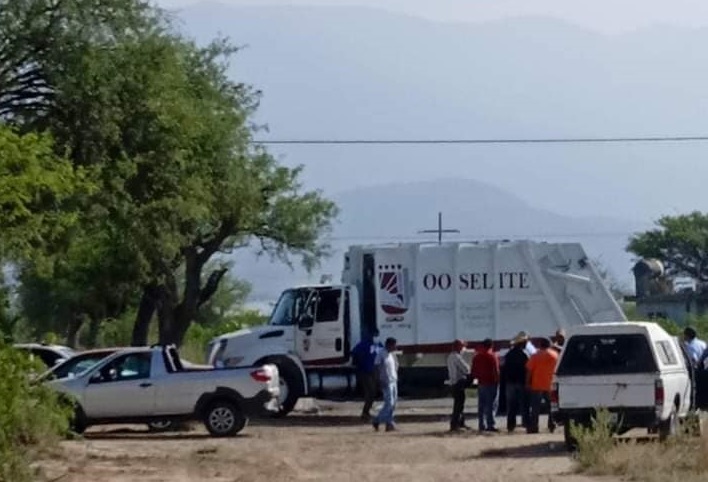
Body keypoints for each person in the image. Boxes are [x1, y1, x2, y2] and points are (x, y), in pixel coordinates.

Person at [526, 337, 559, 434]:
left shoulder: (535, 356)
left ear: (541, 345)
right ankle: (552, 424)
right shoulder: (555, 355)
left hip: (537, 384)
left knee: (535, 408)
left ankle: (534, 427)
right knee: (551, 407)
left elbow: (529, 370)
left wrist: (527, 383)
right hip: (550, 385)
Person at [351, 330, 382, 419]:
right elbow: (354, 353)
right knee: (370, 392)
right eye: (375, 335)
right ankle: (365, 412)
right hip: (365, 372)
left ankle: (366, 412)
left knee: (373, 392)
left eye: (377, 335)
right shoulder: (364, 344)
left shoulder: (378, 345)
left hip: (374, 371)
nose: (376, 337)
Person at [471, 338, 500, 433]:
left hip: (481, 383)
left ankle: (481, 424)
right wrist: (498, 381)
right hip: (491, 382)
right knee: (491, 404)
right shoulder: (492, 356)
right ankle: (490, 424)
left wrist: (477, 379)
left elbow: (473, 371)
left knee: (481, 405)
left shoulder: (477, 356)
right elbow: (496, 370)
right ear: (491, 346)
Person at [504, 333, 530, 433]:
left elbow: (505, 368)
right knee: (524, 404)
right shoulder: (524, 354)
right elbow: (528, 369)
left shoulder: (509, 354)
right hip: (521, 382)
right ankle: (526, 423)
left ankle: (510, 425)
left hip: (510, 382)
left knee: (511, 405)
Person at [373, 337, 399, 432]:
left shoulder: (392, 354)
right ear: (389, 345)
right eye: (394, 345)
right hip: (385, 381)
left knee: (394, 403)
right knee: (389, 403)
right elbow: (376, 367)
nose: (395, 347)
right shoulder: (381, 353)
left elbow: (395, 365)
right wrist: (378, 380)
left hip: (393, 380)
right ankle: (377, 420)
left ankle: (389, 424)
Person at [447, 339, 471, 431]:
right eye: (462, 346)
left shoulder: (450, 356)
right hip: (458, 383)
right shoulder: (457, 357)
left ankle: (460, 423)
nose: (463, 348)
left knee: (459, 404)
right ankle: (455, 425)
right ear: (458, 346)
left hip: (453, 383)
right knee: (459, 405)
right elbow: (466, 369)